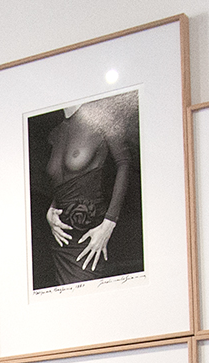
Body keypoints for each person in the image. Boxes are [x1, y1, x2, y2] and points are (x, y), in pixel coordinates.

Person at [40, 92, 138, 284]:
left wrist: (109, 223)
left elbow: (124, 162)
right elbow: (65, 180)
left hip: (90, 239)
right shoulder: (56, 132)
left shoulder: (99, 114)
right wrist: (50, 210)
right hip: (60, 241)